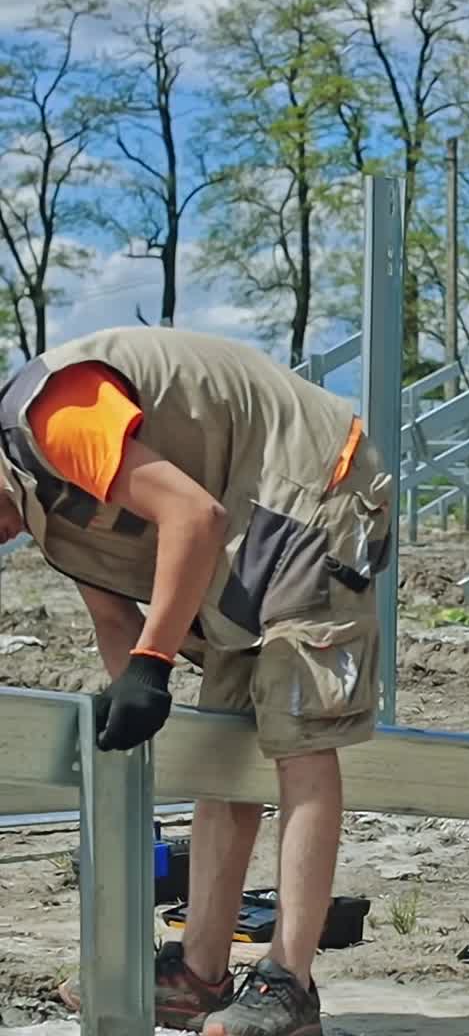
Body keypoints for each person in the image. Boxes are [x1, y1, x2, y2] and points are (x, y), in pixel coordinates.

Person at [0, 326, 391, 1036]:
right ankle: (198, 971)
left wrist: (153, 667)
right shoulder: (37, 506)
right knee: (222, 749)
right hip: (243, 517)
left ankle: (290, 982)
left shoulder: (57, 420)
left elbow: (192, 515)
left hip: (308, 482)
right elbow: (114, 619)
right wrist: (134, 722)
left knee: (298, 728)